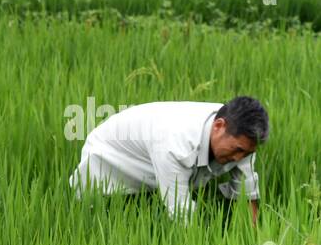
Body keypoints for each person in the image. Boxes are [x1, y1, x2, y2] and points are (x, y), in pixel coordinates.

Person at [68, 97, 266, 226]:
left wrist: (253, 238)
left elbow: (246, 191)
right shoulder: (175, 144)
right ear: (219, 126)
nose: (239, 158)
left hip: (151, 149)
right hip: (110, 156)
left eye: (247, 153)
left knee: (151, 202)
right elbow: (181, 213)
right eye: (238, 150)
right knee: (102, 219)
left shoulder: (243, 138)